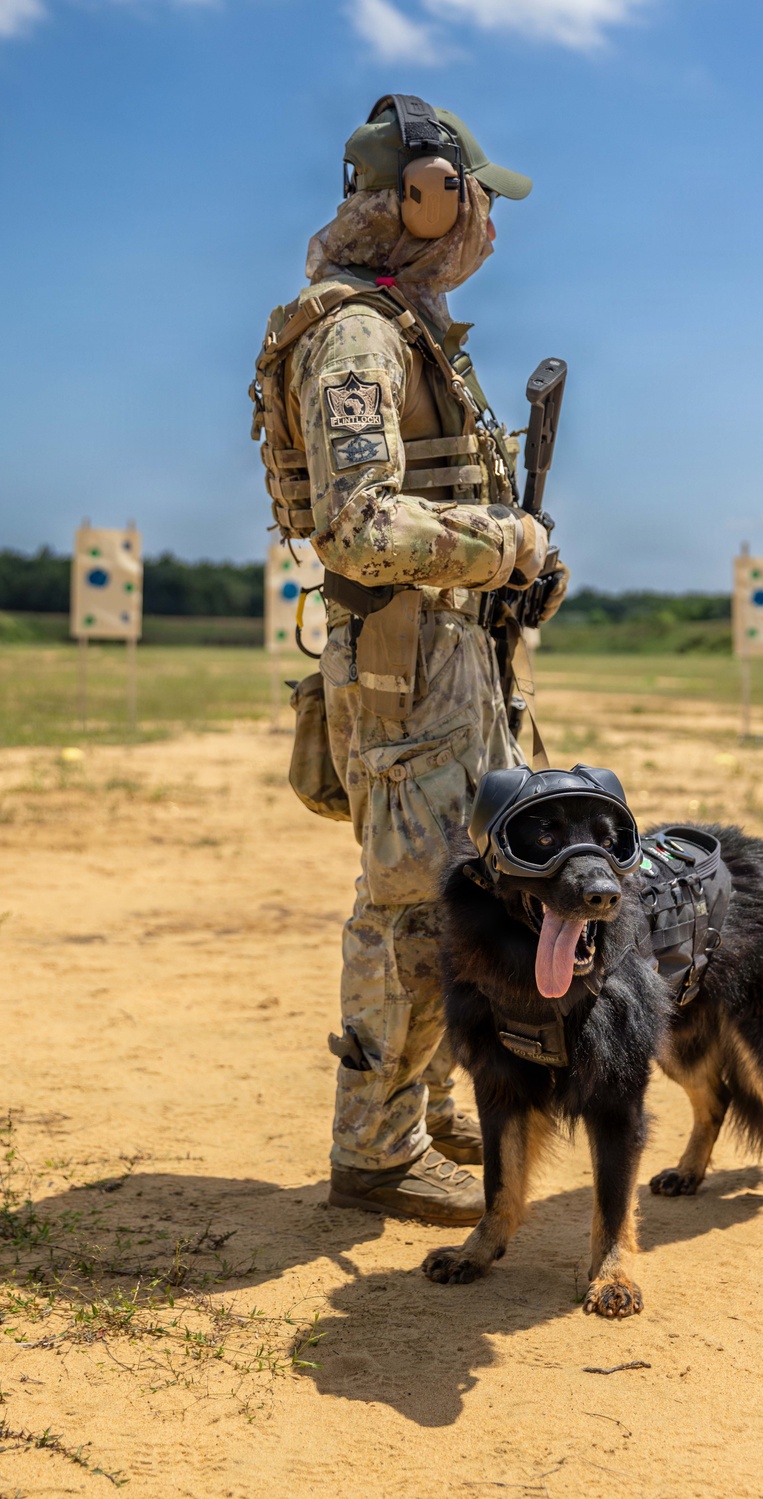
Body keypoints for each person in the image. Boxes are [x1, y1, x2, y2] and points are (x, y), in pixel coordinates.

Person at [252, 96, 568, 1225]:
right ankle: (374, 1150)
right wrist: (507, 543)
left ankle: (420, 1104)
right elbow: (358, 526)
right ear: (427, 198)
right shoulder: (356, 334)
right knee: (407, 905)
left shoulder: (404, 319)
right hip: (401, 660)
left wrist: (515, 570)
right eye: (475, 200)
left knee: (464, 889)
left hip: (448, 650)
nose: (486, 224)